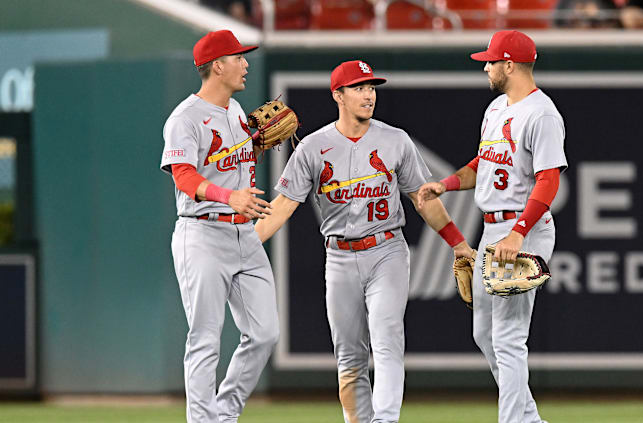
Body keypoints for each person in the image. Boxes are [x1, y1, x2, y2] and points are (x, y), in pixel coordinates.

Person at [254, 59, 473, 423]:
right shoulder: (312, 147)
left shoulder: (395, 140)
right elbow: (281, 208)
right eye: (358, 87)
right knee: (350, 356)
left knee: (387, 339)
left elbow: (424, 199)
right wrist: (242, 249)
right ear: (338, 95)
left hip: (387, 250)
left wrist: (458, 242)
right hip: (339, 257)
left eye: (371, 87)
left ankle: (385, 419)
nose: (368, 94)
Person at [417, 30, 567, 423]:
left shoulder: (542, 114)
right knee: (484, 333)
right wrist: (446, 184)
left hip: (523, 227)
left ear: (510, 64)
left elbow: (549, 180)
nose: (485, 67)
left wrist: (518, 233)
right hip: (492, 229)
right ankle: (528, 418)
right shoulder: (497, 108)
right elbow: (483, 163)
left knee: (508, 336)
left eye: (490, 61)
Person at [159, 30, 279, 423]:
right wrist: (231, 197)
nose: (246, 64)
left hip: (243, 234)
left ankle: (224, 413)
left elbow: (230, 167)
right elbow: (184, 177)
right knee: (205, 340)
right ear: (217, 66)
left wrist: (254, 148)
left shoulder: (236, 112)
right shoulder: (185, 117)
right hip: (203, 233)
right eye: (239, 58)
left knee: (264, 334)